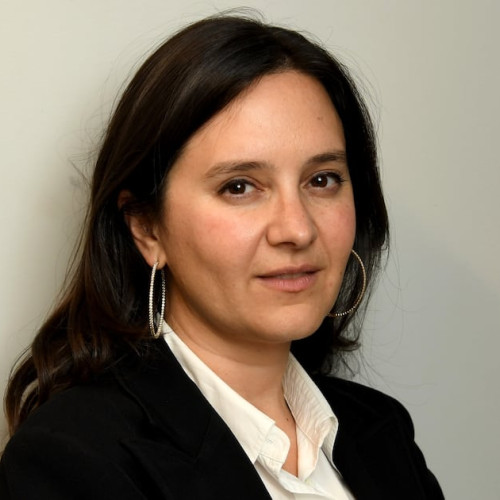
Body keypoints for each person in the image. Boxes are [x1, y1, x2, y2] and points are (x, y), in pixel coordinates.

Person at [0, 14, 444, 499]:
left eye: (322, 180)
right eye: (239, 187)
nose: (297, 229)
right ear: (146, 227)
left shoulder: (381, 430)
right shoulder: (76, 458)